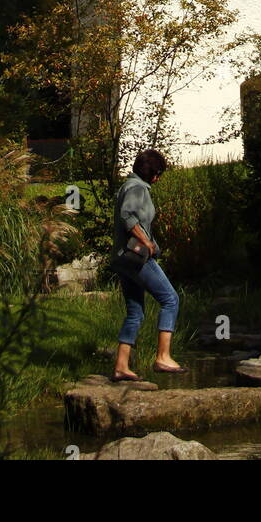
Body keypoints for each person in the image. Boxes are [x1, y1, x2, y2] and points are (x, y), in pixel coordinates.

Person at [111, 148, 186, 381]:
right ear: (152, 173)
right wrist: (147, 242)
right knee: (170, 299)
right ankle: (163, 357)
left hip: (123, 260)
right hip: (137, 258)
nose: (159, 177)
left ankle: (121, 366)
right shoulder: (137, 188)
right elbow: (127, 216)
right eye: (159, 172)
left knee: (135, 312)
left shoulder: (128, 186)